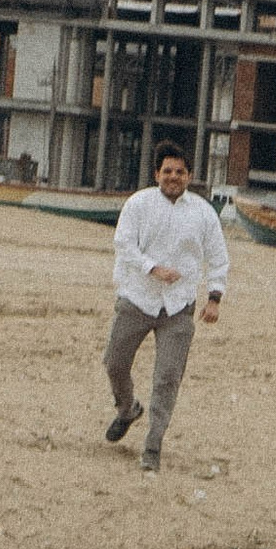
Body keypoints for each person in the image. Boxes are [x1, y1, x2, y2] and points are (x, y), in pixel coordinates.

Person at [104, 149, 228, 473]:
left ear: (189, 176)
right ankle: (128, 409)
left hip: (179, 307)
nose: (174, 177)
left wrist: (214, 297)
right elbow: (124, 244)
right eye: (168, 171)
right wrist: (152, 268)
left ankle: (152, 446)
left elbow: (217, 256)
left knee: (167, 378)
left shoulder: (203, 213)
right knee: (115, 362)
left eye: (180, 172)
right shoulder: (138, 204)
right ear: (156, 173)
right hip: (137, 297)